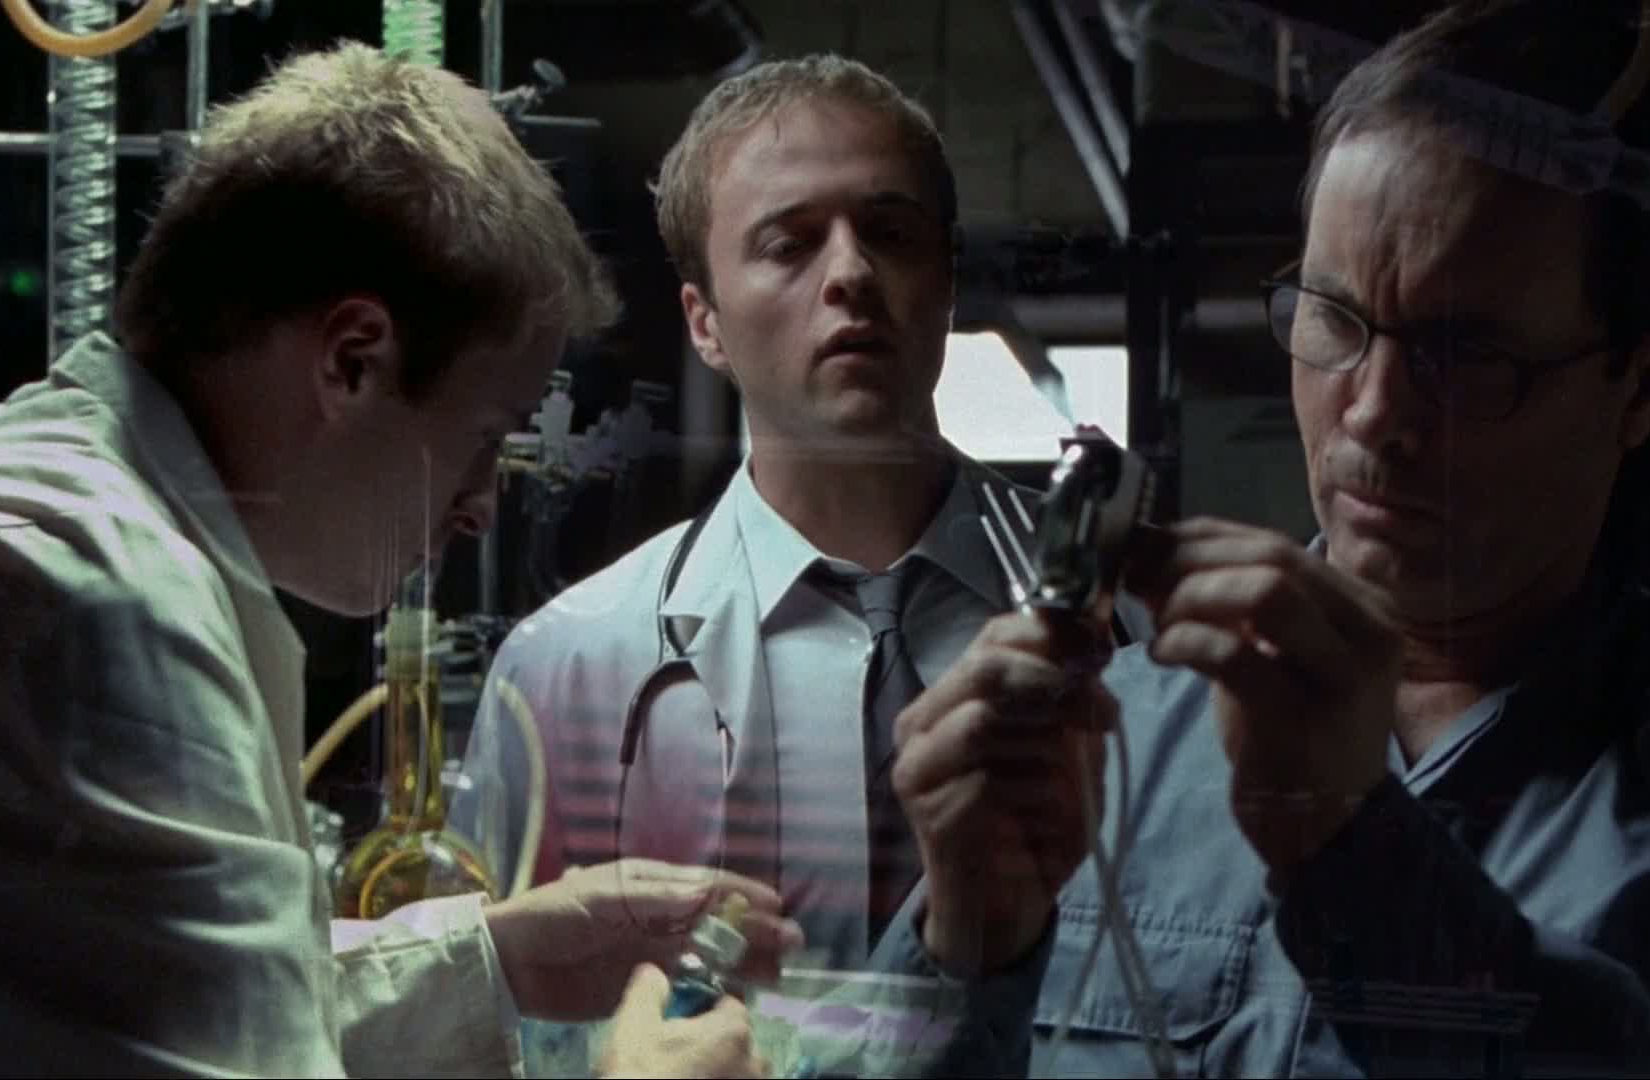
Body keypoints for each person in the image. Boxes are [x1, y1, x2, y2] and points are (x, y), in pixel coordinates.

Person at [0, 42, 801, 1078]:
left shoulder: (61, 523)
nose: (481, 507)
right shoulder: (71, 590)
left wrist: (495, 964)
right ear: (352, 360)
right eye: (483, 437)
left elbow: (162, 986)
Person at [869, 1, 1650, 1076]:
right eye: (1335, 319)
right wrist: (966, 949)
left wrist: (1352, 854)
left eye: (1466, 354)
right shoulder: (1105, 745)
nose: (1373, 414)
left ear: (1648, 381)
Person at [450, 52, 1149, 1076]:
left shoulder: (1127, 641)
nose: (851, 273)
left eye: (891, 232)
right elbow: (484, 1039)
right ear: (704, 323)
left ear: (948, 283)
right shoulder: (566, 671)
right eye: (789, 242)